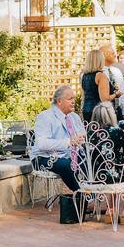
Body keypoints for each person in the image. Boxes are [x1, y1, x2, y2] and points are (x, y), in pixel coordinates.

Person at [31, 85, 87, 221]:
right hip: (44, 157)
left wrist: (81, 141)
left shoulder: (74, 117)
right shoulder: (45, 117)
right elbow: (42, 144)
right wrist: (68, 142)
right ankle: (83, 196)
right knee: (66, 165)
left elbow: (82, 136)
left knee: (92, 161)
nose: (73, 101)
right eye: (70, 99)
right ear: (59, 101)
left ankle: (91, 194)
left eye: (74, 98)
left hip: (71, 154)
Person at [88, 103, 124, 225]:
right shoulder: (116, 132)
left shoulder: (89, 133)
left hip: (93, 177)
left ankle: (110, 211)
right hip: (113, 176)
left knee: (114, 170)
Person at [81, 48, 116, 122]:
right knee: (101, 133)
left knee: (90, 132)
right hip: (98, 112)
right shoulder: (100, 76)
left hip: (86, 110)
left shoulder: (84, 76)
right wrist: (116, 94)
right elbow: (105, 99)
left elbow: (84, 95)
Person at [101, 44, 124, 128]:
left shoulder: (117, 71)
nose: (115, 55)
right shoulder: (99, 73)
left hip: (118, 111)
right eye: (112, 53)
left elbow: (123, 92)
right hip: (104, 112)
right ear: (104, 55)